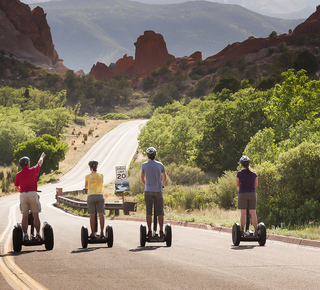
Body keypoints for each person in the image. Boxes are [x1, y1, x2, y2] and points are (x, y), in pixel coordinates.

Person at [14, 152, 46, 241]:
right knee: (35, 215)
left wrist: (22, 191)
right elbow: (40, 162)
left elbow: (16, 186)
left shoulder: (18, 175)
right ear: (27, 163)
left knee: (24, 216)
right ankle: (38, 234)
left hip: (23, 195)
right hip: (32, 194)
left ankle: (25, 234)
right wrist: (41, 156)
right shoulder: (33, 170)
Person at [141, 147, 167, 237]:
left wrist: (147, 184)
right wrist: (162, 184)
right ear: (155, 155)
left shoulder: (144, 165)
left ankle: (149, 231)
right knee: (160, 212)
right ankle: (161, 231)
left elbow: (142, 177)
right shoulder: (160, 165)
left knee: (149, 212)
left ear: (147, 155)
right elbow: (164, 177)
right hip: (158, 190)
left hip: (148, 190)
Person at [236, 156, 258, 237]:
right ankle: (256, 231)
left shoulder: (239, 173)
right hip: (252, 193)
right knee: (253, 213)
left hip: (242, 194)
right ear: (249, 163)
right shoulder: (254, 173)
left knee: (243, 213)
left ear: (241, 164)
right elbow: (255, 185)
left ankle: (242, 231)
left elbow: (237, 185)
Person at [85, 160, 105, 238]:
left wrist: (87, 187)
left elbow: (86, 186)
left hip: (91, 196)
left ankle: (93, 233)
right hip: (100, 195)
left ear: (90, 167)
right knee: (101, 214)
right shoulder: (101, 175)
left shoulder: (87, 176)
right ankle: (102, 232)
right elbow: (101, 183)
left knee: (92, 215)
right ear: (96, 167)